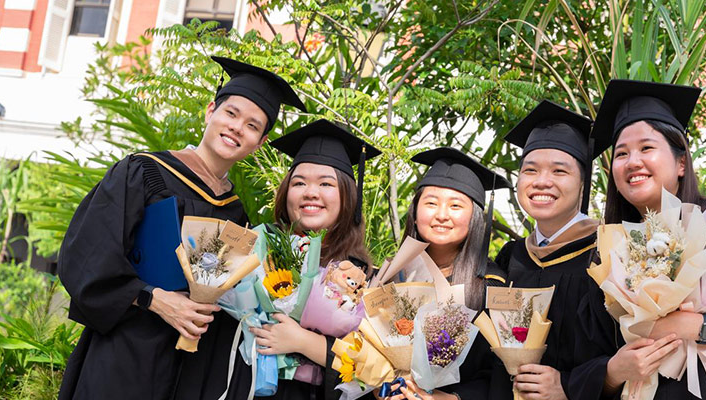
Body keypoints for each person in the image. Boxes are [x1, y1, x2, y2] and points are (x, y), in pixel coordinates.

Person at [57, 56, 306, 399]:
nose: (237, 128)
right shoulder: (144, 173)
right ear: (210, 112)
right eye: (231, 114)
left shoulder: (236, 214)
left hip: (190, 371)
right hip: (123, 356)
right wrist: (154, 299)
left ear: (260, 142)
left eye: (252, 125)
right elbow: (87, 256)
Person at [571, 79, 706, 399]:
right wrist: (613, 372)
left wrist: (700, 326)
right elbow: (585, 356)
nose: (633, 162)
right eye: (621, 153)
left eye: (646, 148)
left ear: (681, 162)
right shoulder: (608, 255)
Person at [250, 119, 381, 400]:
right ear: (286, 193)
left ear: (348, 197)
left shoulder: (369, 280)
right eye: (299, 183)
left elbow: (376, 369)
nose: (311, 192)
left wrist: (305, 342)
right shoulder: (258, 254)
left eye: (325, 183)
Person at [485, 100, 607, 400]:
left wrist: (569, 384)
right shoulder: (510, 258)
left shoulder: (605, 253)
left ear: (582, 183)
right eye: (530, 170)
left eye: (559, 171)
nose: (542, 182)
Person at [380, 146, 513, 400]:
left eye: (455, 205)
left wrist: (450, 398)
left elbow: (501, 375)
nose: (441, 215)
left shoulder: (492, 286)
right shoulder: (391, 276)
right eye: (431, 203)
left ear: (474, 217)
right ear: (416, 211)